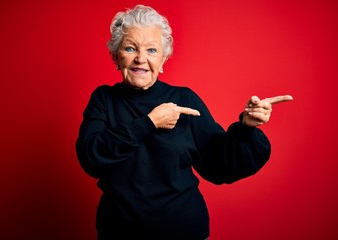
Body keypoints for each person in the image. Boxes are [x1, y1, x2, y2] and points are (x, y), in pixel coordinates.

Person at [75, 4, 293, 240]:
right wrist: (149, 123)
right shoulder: (104, 99)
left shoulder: (184, 99)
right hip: (119, 231)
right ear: (116, 56)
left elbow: (218, 164)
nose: (140, 58)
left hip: (183, 230)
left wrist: (245, 128)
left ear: (163, 59)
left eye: (151, 50)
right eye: (130, 48)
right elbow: (91, 157)